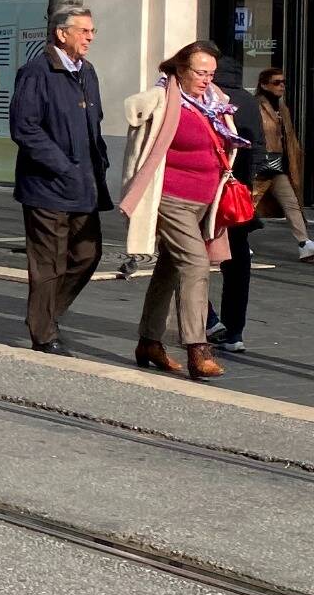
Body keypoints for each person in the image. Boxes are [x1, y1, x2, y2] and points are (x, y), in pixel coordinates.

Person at [117, 40, 240, 381]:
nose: (206, 79)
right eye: (200, 72)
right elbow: (136, 138)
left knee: (170, 269)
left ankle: (149, 341)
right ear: (181, 69)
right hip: (171, 198)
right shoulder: (161, 100)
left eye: (211, 73)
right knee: (196, 263)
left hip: (206, 202)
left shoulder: (215, 104)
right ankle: (197, 348)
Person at [8, 6, 111, 355]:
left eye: (92, 31)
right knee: (49, 262)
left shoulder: (88, 72)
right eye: (84, 31)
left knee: (87, 254)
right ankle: (43, 333)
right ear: (61, 33)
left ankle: (45, 314)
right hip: (47, 186)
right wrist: (62, 166)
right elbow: (25, 128)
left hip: (85, 185)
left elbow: (92, 123)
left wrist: (100, 162)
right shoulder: (37, 72)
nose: (91, 38)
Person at [206, 70, 265, 354]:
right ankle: (234, 331)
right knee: (238, 262)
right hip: (236, 195)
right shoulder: (249, 101)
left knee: (187, 259)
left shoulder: (207, 99)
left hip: (208, 192)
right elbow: (259, 149)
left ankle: (207, 321)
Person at [252, 68, 311, 262]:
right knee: (244, 205)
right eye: (277, 82)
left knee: (292, 203)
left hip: (278, 165)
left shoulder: (281, 107)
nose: (282, 86)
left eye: (283, 82)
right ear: (264, 85)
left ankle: (304, 243)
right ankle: (235, 241)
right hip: (259, 165)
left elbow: (288, 136)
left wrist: (295, 156)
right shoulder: (256, 105)